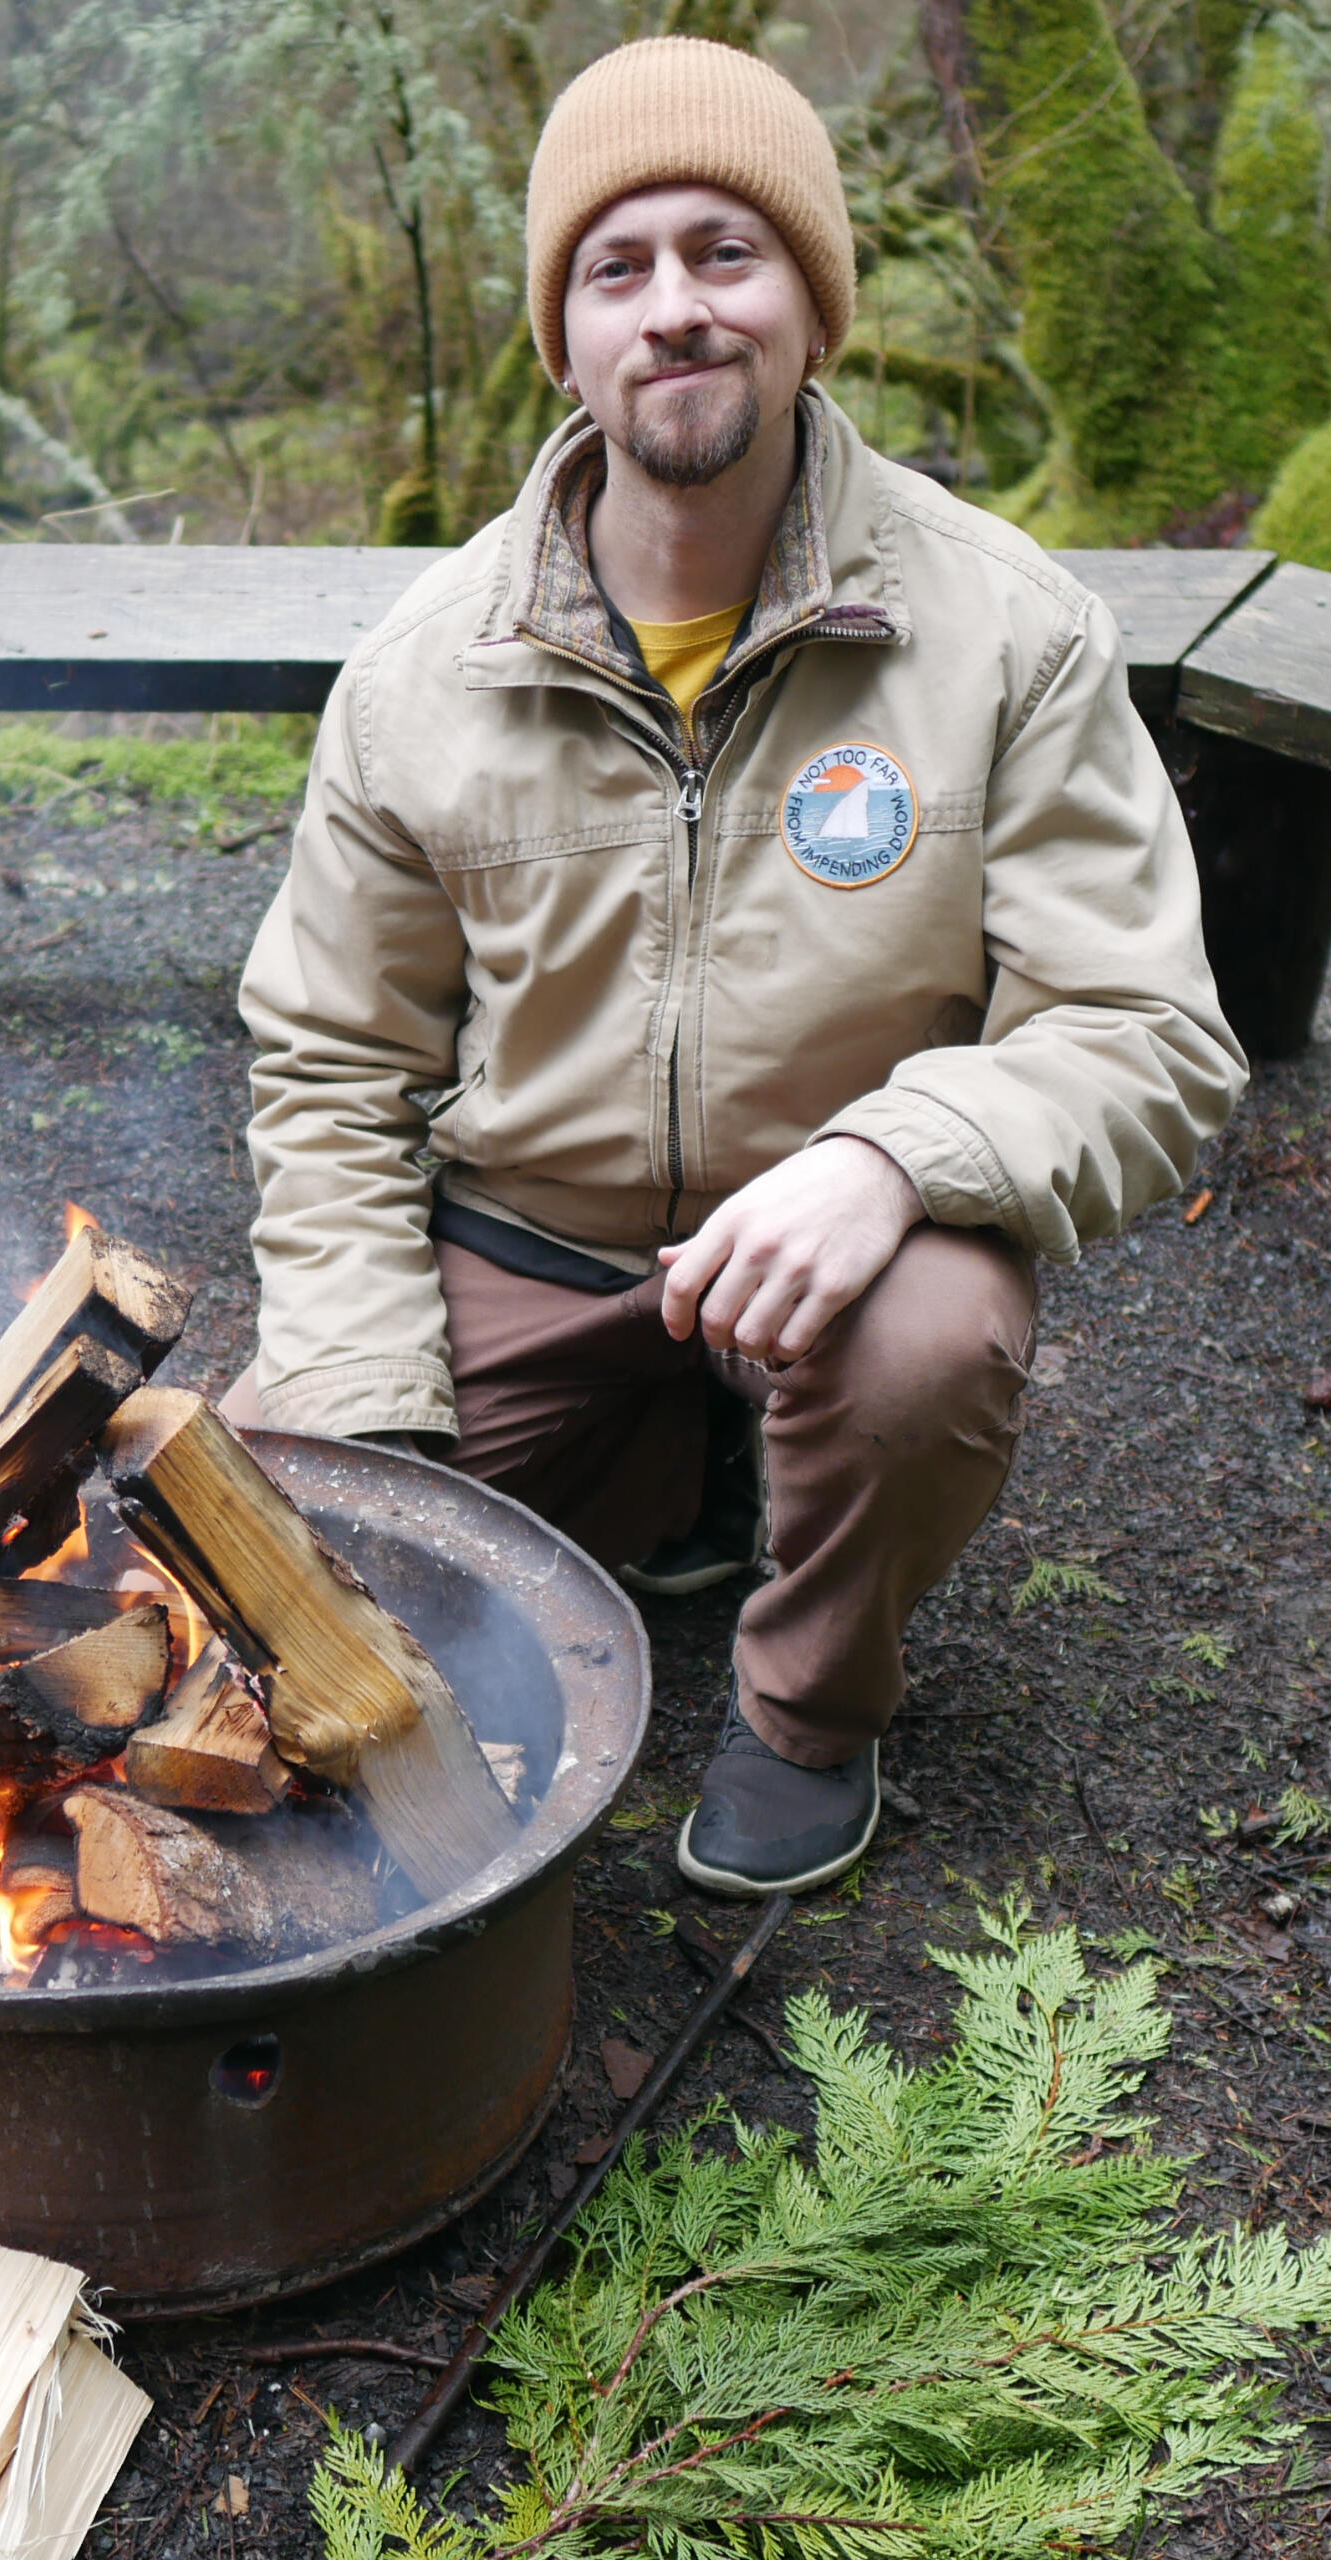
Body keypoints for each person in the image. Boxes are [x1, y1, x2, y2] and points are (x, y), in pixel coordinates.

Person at [220, 36, 1245, 1898]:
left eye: (728, 253)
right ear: (565, 337)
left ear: (813, 305)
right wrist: (368, 1422)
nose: (676, 310)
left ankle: (805, 1708)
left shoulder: (1006, 629)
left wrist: (890, 1156)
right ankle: (662, 1475)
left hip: (850, 1252)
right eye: (620, 268)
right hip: (530, 1243)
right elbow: (331, 1066)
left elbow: (1153, 1033)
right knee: (264, 1532)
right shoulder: (422, 670)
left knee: (931, 1337)